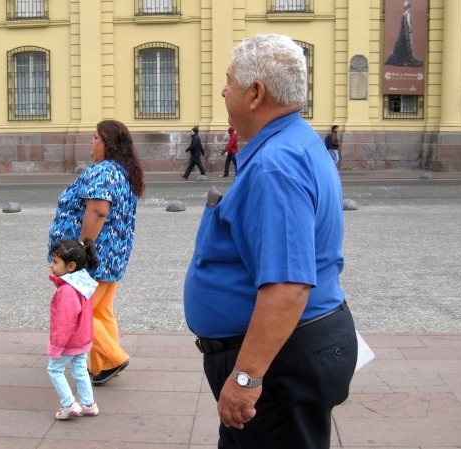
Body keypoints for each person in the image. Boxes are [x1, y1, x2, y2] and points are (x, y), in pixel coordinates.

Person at [183, 34, 358, 449]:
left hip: (278, 359)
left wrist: (245, 378)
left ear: (256, 93)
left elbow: (287, 287)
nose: (224, 90)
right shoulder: (298, 141)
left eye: (229, 81)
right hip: (293, 348)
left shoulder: (274, 165)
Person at [48, 120, 145, 386]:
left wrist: (78, 249)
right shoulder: (123, 172)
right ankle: (101, 367)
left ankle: (114, 358)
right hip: (111, 255)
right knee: (101, 310)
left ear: (108, 145)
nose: (91, 143)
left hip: (93, 256)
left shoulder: (103, 171)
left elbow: (98, 211)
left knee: (81, 312)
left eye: (95, 138)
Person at [47, 238, 100, 420]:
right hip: (83, 338)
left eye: (55, 262)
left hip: (69, 341)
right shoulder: (84, 282)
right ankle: (88, 404)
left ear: (70, 266)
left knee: (54, 369)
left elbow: (64, 321)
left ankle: (68, 404)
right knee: (80, 369)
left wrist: (56, 346)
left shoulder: (66, 290)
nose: (51, 265)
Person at [384, 1, 423, 68]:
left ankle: (402, 56)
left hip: (403, 32)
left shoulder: (404, 14)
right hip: (406, 32)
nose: (410, 9)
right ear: (408, 8)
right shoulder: (408, 14)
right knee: (408, 44)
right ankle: (407, 56)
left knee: (402, 44)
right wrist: (410, 29)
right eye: (410, 7)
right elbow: (408, 23)